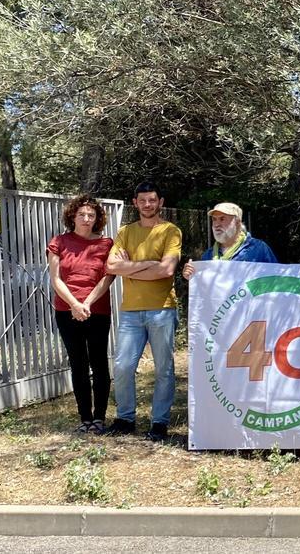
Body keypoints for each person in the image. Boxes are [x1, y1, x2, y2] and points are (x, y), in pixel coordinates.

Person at [104, 182, 182, 441]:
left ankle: (159, 423)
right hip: (131, 312)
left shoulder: (171, 231)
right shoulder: (125, 232)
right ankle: (125, 419)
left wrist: (130, 266)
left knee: (164, 370)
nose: (147, 204)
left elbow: (167, 270)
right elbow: (111, 267)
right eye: (142, 200)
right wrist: (148, 264)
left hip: (162, 310)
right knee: (123, 366)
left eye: (152, 200)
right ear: (135, 203)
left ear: (160, 202)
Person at [47, 195, 115, 434]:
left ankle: (99, 418)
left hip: (97, 310)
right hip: (67, 311)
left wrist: (86, 302)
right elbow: (55, 278)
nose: (86, 219)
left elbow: (108, 276)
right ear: (72, 216)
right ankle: (84, 417)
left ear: (97, 219)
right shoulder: (59, 242)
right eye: (82, 214)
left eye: (91, 215)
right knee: (78, 363)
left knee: (99, 363)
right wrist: (75, 304)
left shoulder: (107, 244)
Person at [183, 203, 279, 279]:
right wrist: (192, 276)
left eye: (222, 219)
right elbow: (205, 291)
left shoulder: (258, 249)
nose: (217, 224)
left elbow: (276, 279)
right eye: (214, 219)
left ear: (237, 223)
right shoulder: (208, 255)